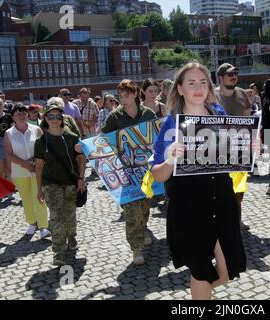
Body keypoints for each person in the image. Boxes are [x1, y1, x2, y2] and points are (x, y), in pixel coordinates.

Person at [151, 61, 246, 300]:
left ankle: (201, 295)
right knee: (201, 272)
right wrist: (171, 158)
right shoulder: (172, 123)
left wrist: (246, 148)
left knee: (228, 269)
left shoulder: (219, 114)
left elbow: (234, 157)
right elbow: (158, 174)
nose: (198, 87)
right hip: (189, 207)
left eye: (203, 82)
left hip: (222, 201)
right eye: (191, 82)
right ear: (180, 89)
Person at [102, 79, 156, 265]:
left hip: (146, 170)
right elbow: (103, 141)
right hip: (125, 171)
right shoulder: (114, 118)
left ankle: (142, 229)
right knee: (132, 210)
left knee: (145, 207)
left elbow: (158, 135)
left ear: (135, 94)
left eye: (126, 95)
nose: (123, 99)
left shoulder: (148, 114)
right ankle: (136, 248)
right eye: (120, 96)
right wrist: (84, 148)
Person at [34, 103, 87, 266]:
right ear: (45, 119)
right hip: (51, 184)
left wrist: (81, 179)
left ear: (62, 118)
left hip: (71, 183)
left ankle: (71, 236)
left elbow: (81, 159)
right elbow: (39, 166)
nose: (55, 119)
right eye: (51, 116)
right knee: (56, 216)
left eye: (58, 116)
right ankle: (58, 251)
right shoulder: (41, 141)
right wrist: (39, 189)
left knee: (70, 214)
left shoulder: (71, 136)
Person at [4, 104, 50, 238]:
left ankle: (43, 226)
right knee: (26, 199)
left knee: (39, 197)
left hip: (38, 169)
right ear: (13, 117)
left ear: (27, 115)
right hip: (19, 171)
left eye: (23, 113)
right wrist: (25, 164)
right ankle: (32, 222)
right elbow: (9, 154)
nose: (21, 116)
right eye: (18, 114)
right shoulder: (8, 133)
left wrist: (37, 162)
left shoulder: (36, 129)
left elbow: (44, 147)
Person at [215, 62, 252, 230]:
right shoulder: (211, 96)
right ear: (220, 78)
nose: (233, 76)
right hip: (217, 150)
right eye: (229, 74)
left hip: (240, 149)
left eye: (235, 74)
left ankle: (237, 218)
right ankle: (220, 221)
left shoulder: (243, 94)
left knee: (239, 189)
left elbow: (249, 121)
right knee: (219, 189)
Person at [0, 97, 14, 178]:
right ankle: (2, 189)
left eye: (0, 104)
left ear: (3, 105)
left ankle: (11, 188)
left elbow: (13, 130)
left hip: (7, 143)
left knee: (9, 170)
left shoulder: (9, 117)